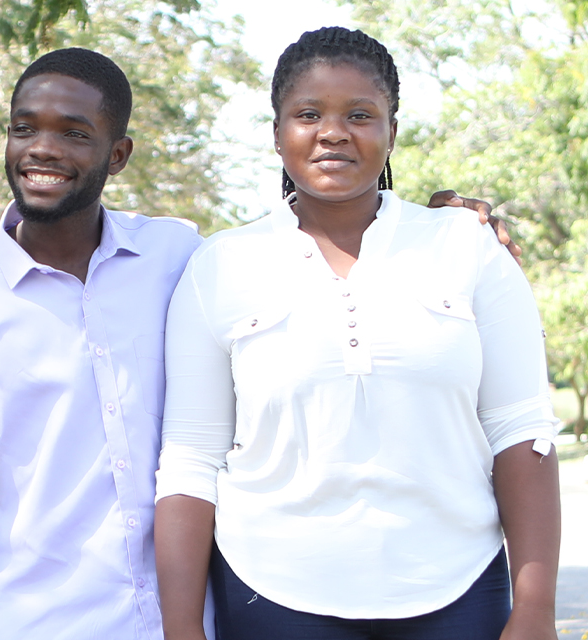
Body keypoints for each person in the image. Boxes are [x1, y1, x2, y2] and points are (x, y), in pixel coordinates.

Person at [0, 46, 517, 640]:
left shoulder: (181, 256)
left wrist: (439, 228)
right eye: (24, 129)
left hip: (205, 610)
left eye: (75, 133)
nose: (43, 149)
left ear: (118, 154)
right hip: (45, 618)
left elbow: (306, 251)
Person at [154, 26, 560, 640]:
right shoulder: (220, 265)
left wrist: (535, 611)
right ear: (276, 134)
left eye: (360, 115)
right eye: (308, 114)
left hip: (458, 590)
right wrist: (182, 627)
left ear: (392, 132)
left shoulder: (467, 247)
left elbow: (521, 429)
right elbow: (191, 459)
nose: (334, 132)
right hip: (272, 592)